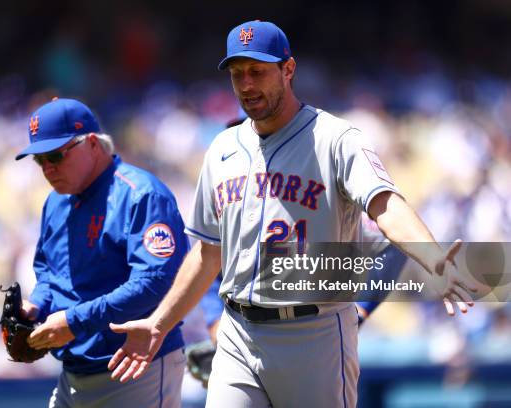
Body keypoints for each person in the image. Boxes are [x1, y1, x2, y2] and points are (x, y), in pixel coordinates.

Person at [107, 21, 476, 408]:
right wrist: (160, 323)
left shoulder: (336, 139)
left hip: (313, 332)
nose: (246, 84)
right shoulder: (221, 148)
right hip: (238, 332)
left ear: (288, 69)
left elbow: (384, 204)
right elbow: (206, 253)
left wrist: (432, 257)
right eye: (237, 74)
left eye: (257, 71)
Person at [14, 97, 188, 408]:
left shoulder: (140, 195)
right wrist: (35, 309)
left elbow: (155, 283)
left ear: (92, 143)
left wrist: (74, 321)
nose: (48, 168)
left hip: (135, 369)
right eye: (40, 160)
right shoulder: (56, 202)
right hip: (73, 374)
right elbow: (49, 275)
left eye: (55, 155)